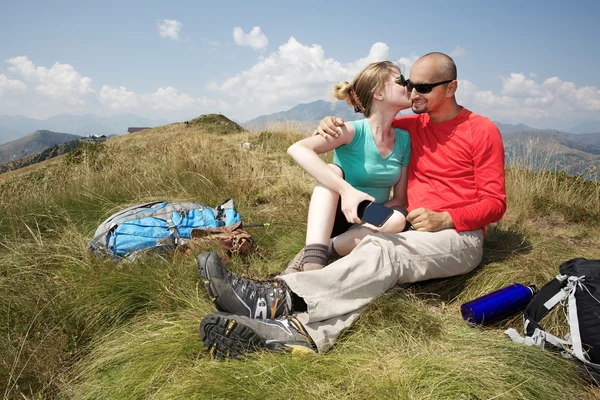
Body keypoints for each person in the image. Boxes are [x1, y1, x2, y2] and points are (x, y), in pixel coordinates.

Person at [197, 52, 507, 358]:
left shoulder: (481, 130)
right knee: (372, 265)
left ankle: (275, 297)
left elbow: (495, 204)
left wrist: (446, 218)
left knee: (381, 252)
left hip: (458, 236)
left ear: (451, 87)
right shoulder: (410, 128)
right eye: (410, 84)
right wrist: (329, 123)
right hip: (411, 230)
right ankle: (290, 332)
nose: (413, 92)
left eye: (423, 88)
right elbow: (372, 123)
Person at [284, 61, 412, 274]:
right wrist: (347, 191)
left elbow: (400, 198)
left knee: (398, 218)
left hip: (370, 219)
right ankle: (312, 266)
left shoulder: (404, 140)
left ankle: (322, 250)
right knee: (333, 171)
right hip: (339, 214)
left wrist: (370, 215)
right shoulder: (351, 131)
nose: (408, 86)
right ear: (379, 93)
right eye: (400, 82)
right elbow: (297, 149)